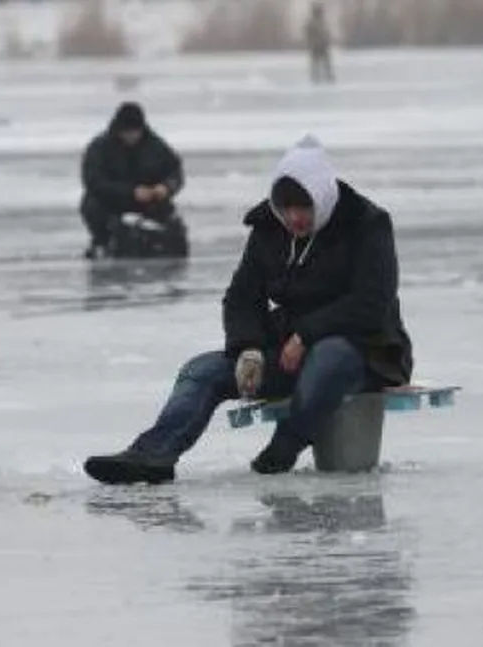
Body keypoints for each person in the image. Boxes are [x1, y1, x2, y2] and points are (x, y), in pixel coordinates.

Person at [84, 136, 412, 484]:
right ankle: (154, 455)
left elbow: (372, 303)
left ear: (323, 198)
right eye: (286, 208)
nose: (294, 217)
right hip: (290, 352)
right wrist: (249, 348)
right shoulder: (269, 228)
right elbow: (242, 297)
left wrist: (306, 334)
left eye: (304, 208)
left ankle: (285, 445)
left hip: (365, 351)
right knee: (203, 371)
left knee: (328, 357)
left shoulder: (367, 223)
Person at [79, 102, 185, 259]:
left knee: (170, 221)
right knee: (92, 205)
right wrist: (130, 192)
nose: (132, 136)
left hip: (148, 202)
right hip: (111, 202)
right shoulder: (99, 148)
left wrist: (166, 188)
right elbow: (93, 181)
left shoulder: (156, 146)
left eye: (135, 132)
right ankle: (104, 240)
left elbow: (175, 172)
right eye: (127, 132)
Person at [306, 2, 335, 84]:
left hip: (322, 46)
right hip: (316, 46)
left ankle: (328, 76)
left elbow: (326, 34)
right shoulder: (312, 23)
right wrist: (311, 44)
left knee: (326, 63)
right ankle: (316, 77)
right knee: (316, 63)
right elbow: (309, 35)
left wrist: (327, 42)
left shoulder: (322, 23)